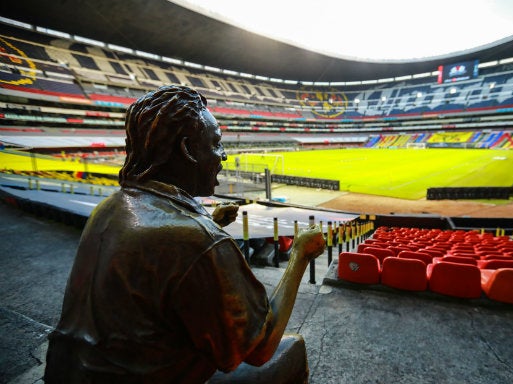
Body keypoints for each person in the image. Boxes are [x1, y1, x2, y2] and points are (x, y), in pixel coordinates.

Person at [44, 85, 325, 383]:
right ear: (187, 149)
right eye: (216, 144)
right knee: (291, 347)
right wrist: (300, 255)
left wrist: (208, 223)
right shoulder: (198, 241)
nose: (224, 156)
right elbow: (260, 348)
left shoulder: (108, 209)